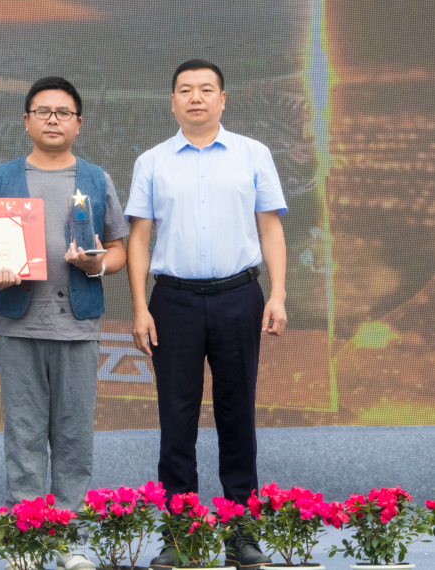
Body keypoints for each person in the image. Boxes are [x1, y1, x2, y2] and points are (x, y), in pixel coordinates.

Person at [124, 59, 287, 569]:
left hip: (240, 296)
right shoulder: (152, 161)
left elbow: (270, 227)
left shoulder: (253, 154)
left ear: (223, 99)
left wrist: (278, 294)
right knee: (176, 418)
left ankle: (242, 535)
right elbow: (139, 238)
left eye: (206, 89)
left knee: (238, 415)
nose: (196, 98)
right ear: (172, 101)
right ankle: (181, 535)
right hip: (172, 302)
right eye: (185, 90)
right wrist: (139, 307)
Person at [0, 76, 128, 570]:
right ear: (26, 120)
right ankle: (27, 541)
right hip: (19, 326)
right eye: (42, 111)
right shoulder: (1, 178)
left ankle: (70, 540)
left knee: (73, 438)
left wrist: (97, 264)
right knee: (23, 437)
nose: (52, 120)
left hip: (77, 326)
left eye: (63, 112)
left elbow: (119, 248)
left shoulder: (96, 178)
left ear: (78, 124)